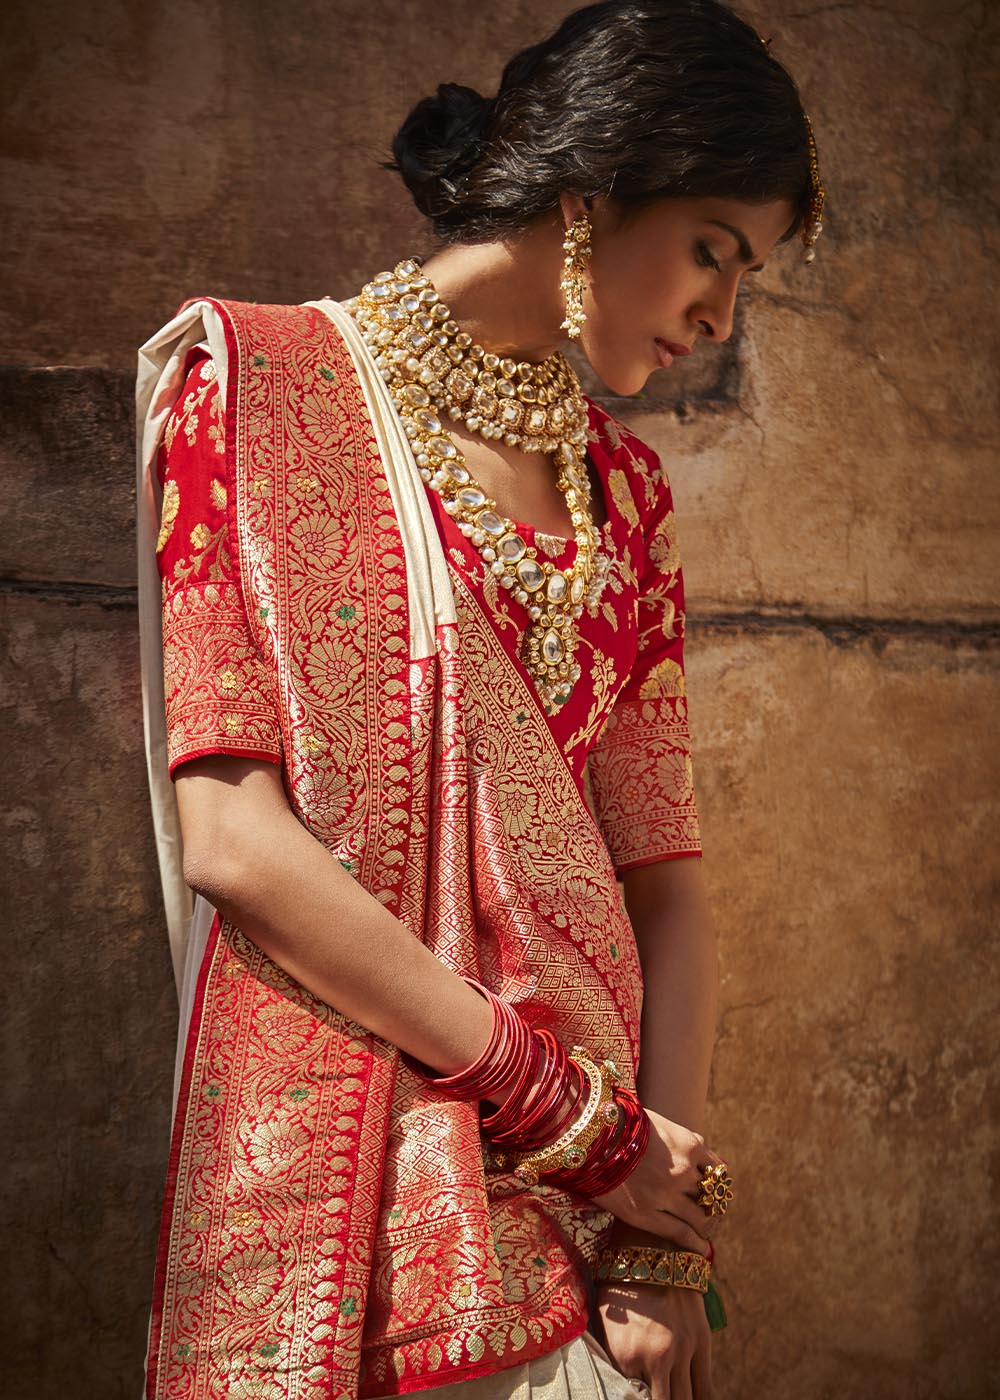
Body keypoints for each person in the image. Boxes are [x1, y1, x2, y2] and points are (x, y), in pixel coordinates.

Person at [134, 2, 824, 1398]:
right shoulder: (256, 389)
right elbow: (233, 836)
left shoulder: (627, 502)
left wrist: (664, 1243)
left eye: (743, 276)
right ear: (590, 192)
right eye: (712, 250)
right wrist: (562, 1109)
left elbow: (667, 884)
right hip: (354, 1173)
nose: (718, 315)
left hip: (592, 1211)